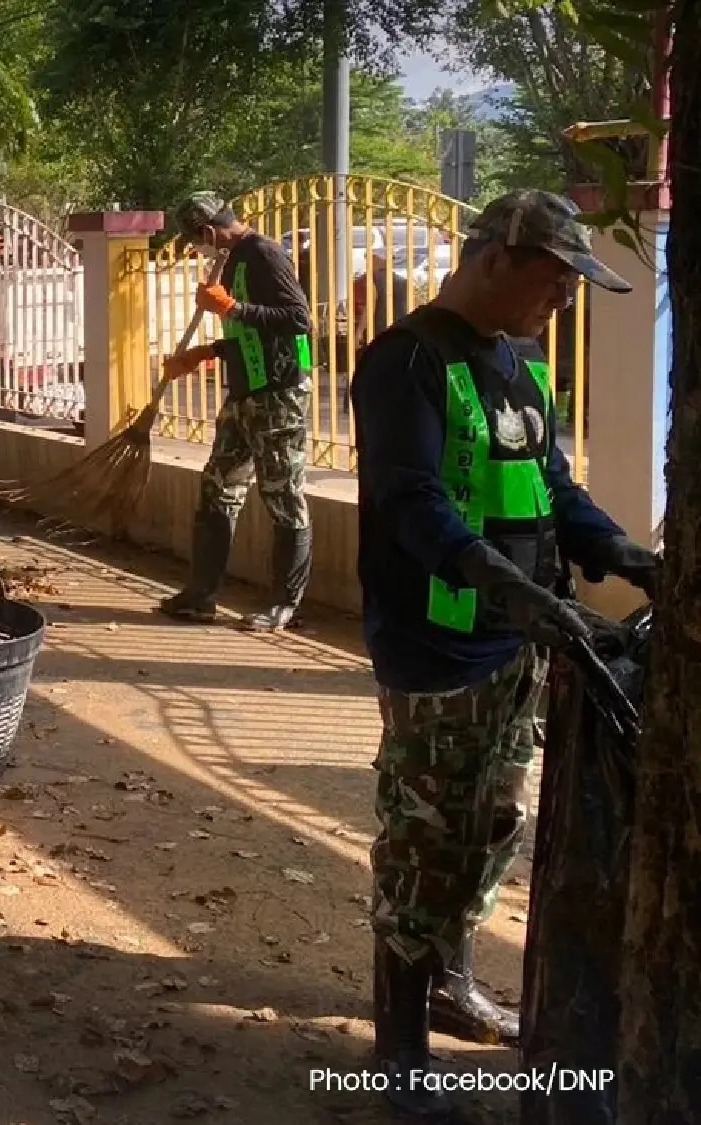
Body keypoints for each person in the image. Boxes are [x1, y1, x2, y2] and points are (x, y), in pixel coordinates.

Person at [350, 189, 655, 1117]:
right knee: (424, 837)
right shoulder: (404, 362)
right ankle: (398, 1042)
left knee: (490, 824)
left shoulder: (522, 366)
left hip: (517, 642)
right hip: (436, 645)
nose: (563, 297)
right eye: (554, 277)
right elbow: (412, 505)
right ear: (494, 259)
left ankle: (449, 975)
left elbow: (555, 490)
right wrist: (513, 589)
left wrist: (626, 557)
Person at [157, 190, 316, 631]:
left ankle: (285, 604)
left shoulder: (263, 253)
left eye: (194, 241)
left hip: (279, 394)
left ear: (207, 231)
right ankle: (200, 596)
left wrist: (231, 307)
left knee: (283, 494)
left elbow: (297, 320)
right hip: (246, 392)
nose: (196, 249)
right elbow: (252, 337)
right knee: (218, 486)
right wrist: (206, 352)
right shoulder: (231, 259)